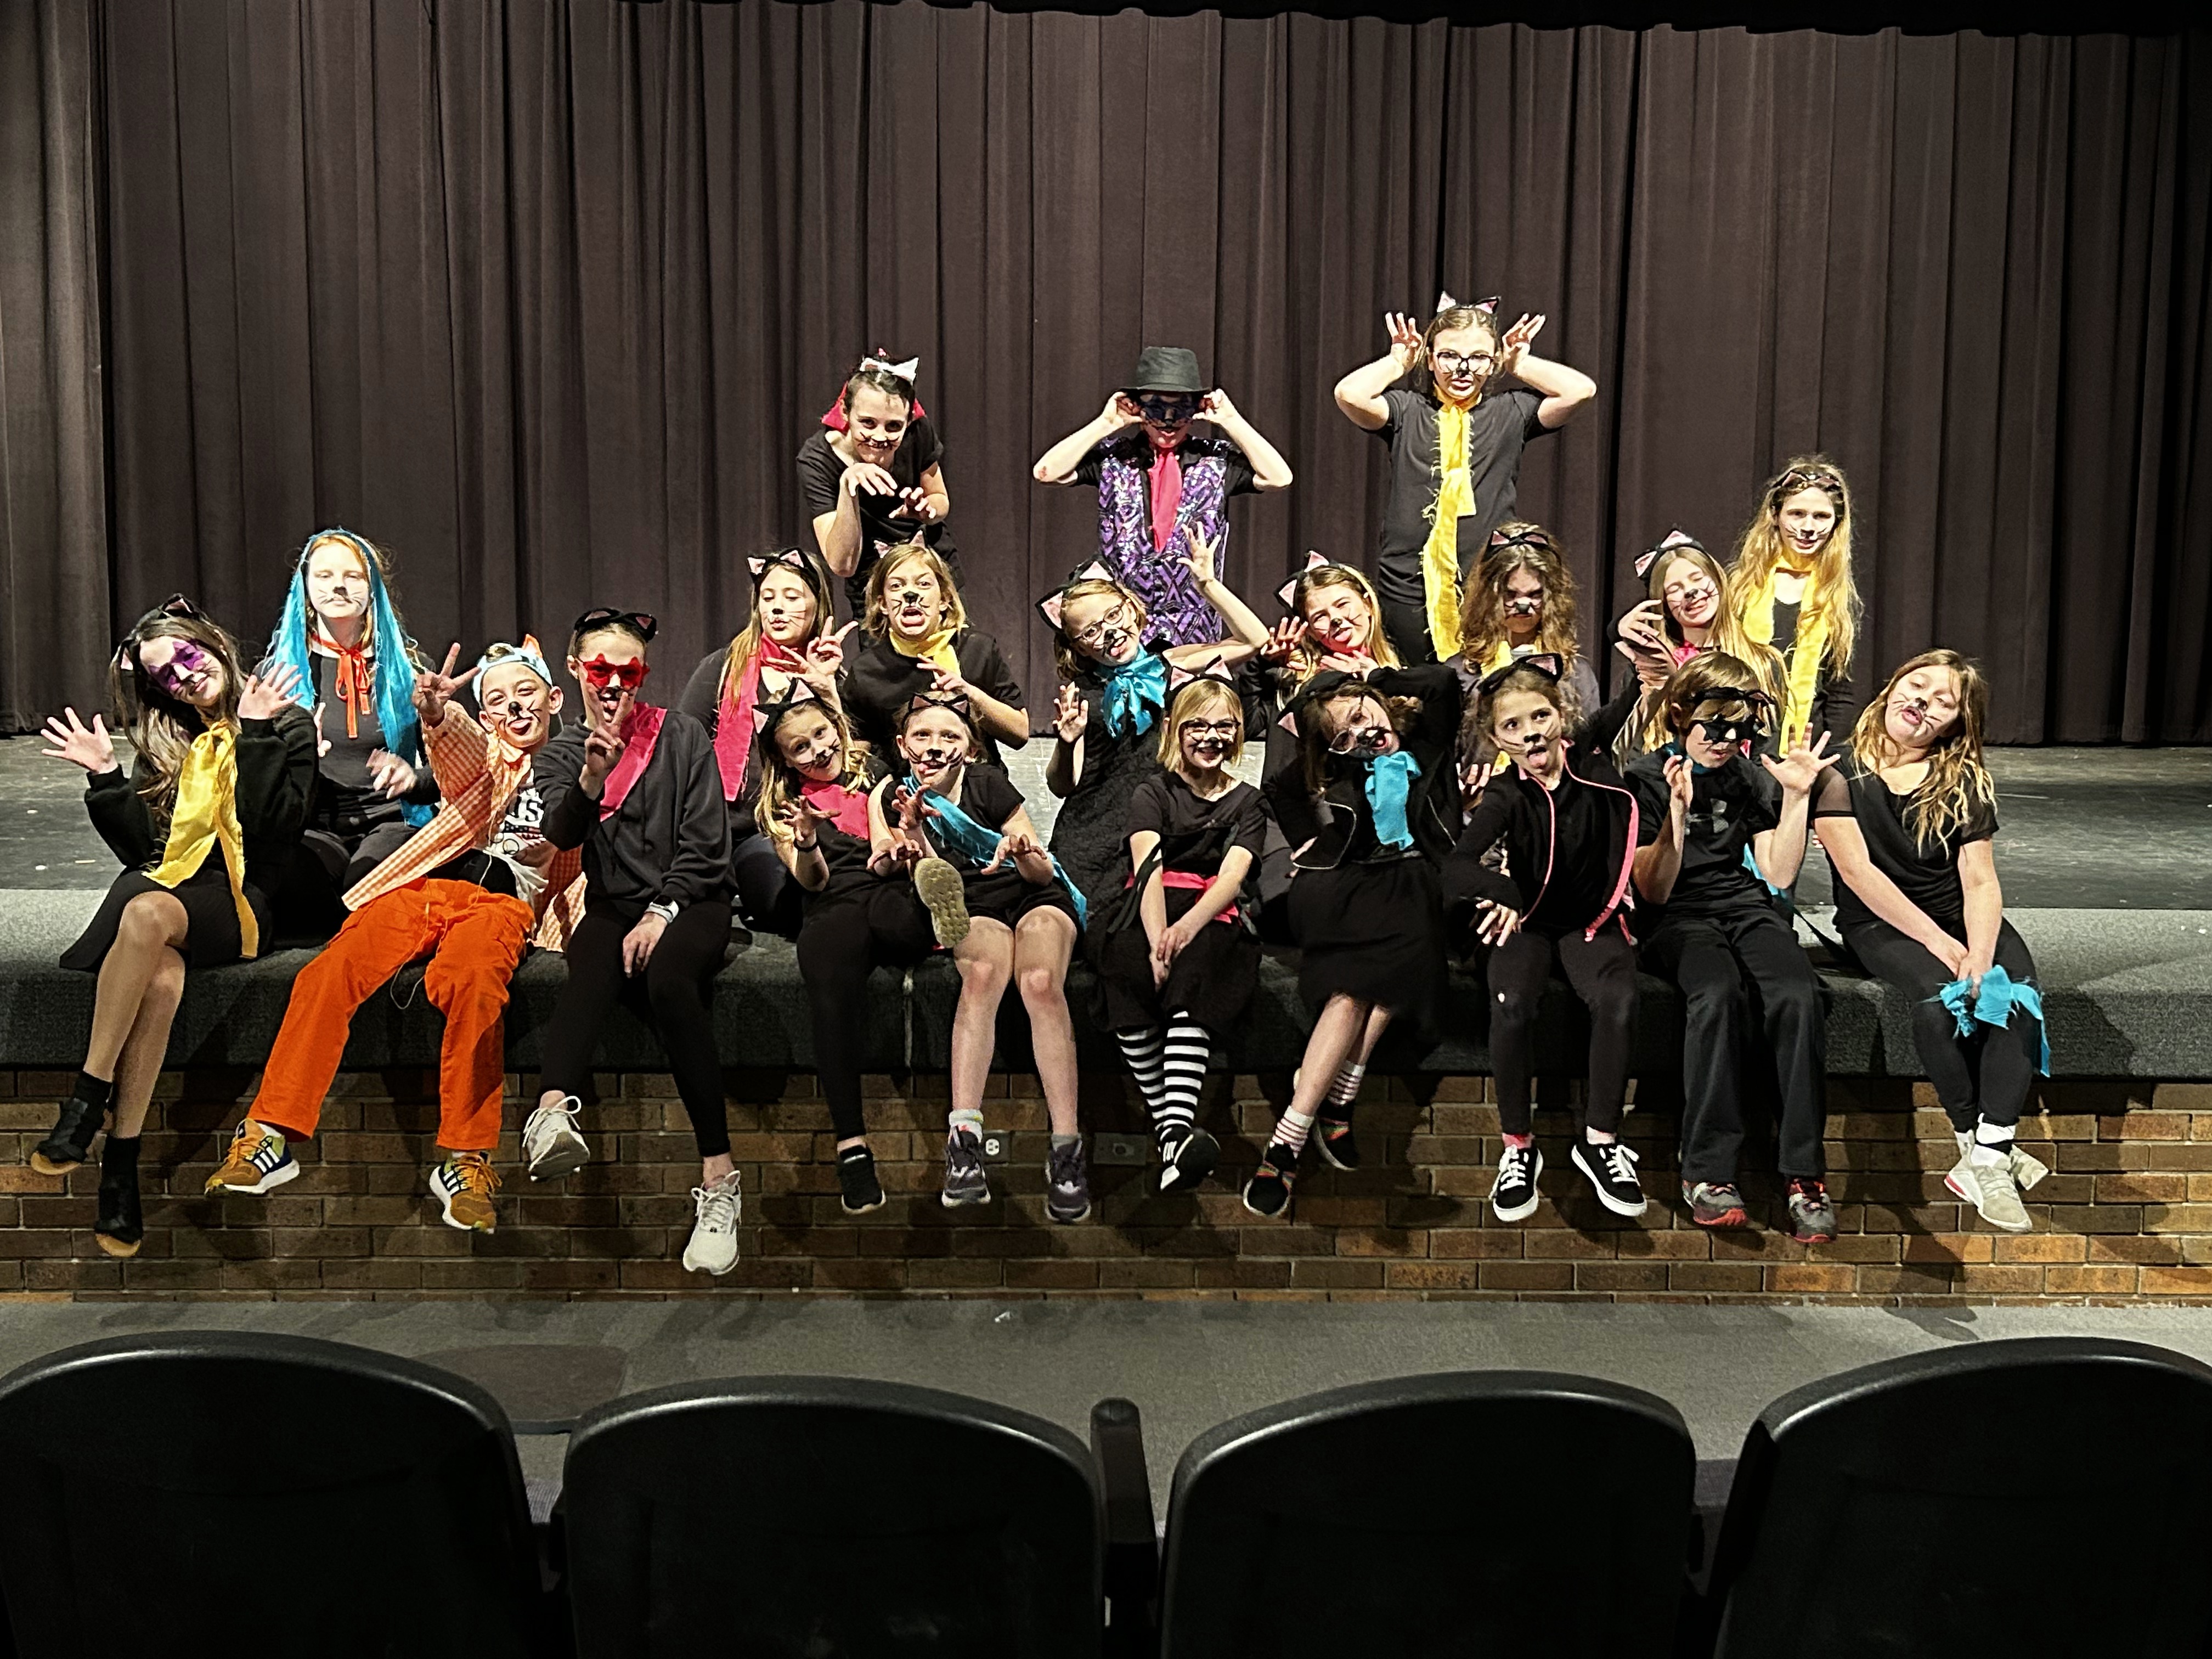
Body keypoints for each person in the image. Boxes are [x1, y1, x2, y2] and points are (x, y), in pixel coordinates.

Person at [206, 639, 588, 1234]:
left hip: (500, 906)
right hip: (425, 889)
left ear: (554, 697)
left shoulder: (585, 763)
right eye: (498, 701)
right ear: (486, 715)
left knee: (473, 985)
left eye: (526, 694)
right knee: (327, 972)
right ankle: (269, 1133)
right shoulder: (488, 757)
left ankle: (466, 1159)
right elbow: (460, 756)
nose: (514, 709)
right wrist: (437, 714)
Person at [35, 596, 315, 1257]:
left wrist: (254, 734)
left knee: (145, 910)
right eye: (166, 676)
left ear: (212, 644)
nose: (184, 677)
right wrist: (106, 777)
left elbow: (277, 825)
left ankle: (86, 1097)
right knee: (159, 979)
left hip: (246, 898)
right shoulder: (169, 738)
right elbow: (146, 853)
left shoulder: (285, 721)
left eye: (187, 657)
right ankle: (121, 1166)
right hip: (181, 895)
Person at [524, 610, 743, 1274]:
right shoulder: (563, 751)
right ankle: (551, 1112)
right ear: (576, 671)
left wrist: (663, 912)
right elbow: (560, 835)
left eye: (629, 672)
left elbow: (708, 847)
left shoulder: (680, 737)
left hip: (693, 902)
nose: (615, 683)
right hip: (616, 904)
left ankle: (720, 1178)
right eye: (601, 671)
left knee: (668, 980)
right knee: (588, 968)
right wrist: (593, 777)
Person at [1812, 650, 2049, 1234]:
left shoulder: (1961, 778)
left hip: (1959, 912)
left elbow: (1979, 880)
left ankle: (1988, 1155)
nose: (1922, 703)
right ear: (1893, 686)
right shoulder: (1837, 770)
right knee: (1940, 1001)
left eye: (1942, 702)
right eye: (1917, 686)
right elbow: (1862, 876)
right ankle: (1977, 1143)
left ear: (1955, 724)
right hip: (1882, 921)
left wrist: (1981, 950)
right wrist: (1947, 949)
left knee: (2011, 997)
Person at [1627, 654, 1839, 1242]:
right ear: (1680, 717)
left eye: (1738, 729)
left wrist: (1797, 799)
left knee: (1798, 995)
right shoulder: (1646, 778)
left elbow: (1776, 869)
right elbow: (1652, 888)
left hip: (1742, 905)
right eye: (1713, 728)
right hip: (1676, 914)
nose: (1726, 741)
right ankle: (1708, 1170)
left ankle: (1803, 1175)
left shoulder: (1748, 778)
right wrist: (1674, 815)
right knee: (1717, 994)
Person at [1246, 661, 1463, 1217]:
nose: (1363, 736)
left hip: (1419, 881)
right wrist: (1312, 845)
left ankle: (1330, 1104)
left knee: (1392, 969)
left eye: (1366, 722)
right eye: (1345, 735)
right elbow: (1280, 791)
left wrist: (1371, 684)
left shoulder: (1428, 749)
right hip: (1355, 887)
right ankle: (1295, 1136)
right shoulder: (1344, 772)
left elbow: (1440, 685)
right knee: (1353, 993)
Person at [871, 692, 1091, 1221]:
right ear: (903, 746)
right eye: (923, 736)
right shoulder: (892, 795)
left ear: (969, 750)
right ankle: (964, 1141)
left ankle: (1066, 1148)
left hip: (1032, 892)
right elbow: (906, 871)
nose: (936, 746)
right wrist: (912, 833)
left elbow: (1041, 873)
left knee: (1039, 981)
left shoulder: (990, 784)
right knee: (985, 973)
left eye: (950, 737)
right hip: (972, 902)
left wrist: (1023, 854)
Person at [1445, 656, 1647, 1223]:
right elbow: (1456, 868)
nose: (1531, 731)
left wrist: (1639, 668)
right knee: (1510, 1005)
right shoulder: (1507, 795)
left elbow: (1625, 704)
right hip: (1529, 920)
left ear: (1560, 716)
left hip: (1590, 919)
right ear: (1497, 739)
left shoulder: (1593, 763)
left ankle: (1601, 1140)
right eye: (1512, 726)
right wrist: (1502, 889)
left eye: (1540, 716)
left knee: (1618, 999)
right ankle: (1518, 1147)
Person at [755, 682, 945, 1217]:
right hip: (830, 900)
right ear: (783, 759)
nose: (818, 749)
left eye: (821, 734)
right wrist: (810, 838)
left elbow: (883, 850)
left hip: (883, 885)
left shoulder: (874, 775)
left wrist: (898, 845)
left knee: (896, 920)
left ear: (836, 728)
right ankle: (852, 1147)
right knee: (830, 989)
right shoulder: (784, 808)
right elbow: (810, 882)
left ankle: (937, 910)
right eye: (801, 747)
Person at [1332, 296, 1596, 664]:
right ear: (1430, 359)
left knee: (1487, 685)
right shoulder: (1408, 409)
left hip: (1485, 579)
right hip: (1408, 582)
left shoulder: (1510, 411)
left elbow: (1580, 390)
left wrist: (1520, 363)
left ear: (1493, 363)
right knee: (1416, 690)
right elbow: (1349, 394)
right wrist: (1396, 363)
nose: (1463, 369)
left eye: (1478, 358)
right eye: (1449, 356)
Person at [1092, 668, 1268, 1194]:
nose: (1211, 737)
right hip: (1148, 902)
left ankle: (1170, 1132)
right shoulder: (1153, 790)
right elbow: (1146, 865)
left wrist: (1184, 931)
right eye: (1198, 725)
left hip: (1211, 909)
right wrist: (1156, 939)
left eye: (1224, 726)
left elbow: (1233, 876)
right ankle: (1176, 1136)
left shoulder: (1249, 801)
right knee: (1123, 965)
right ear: (1175, 730)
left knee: (1196, 974)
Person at [1040, 536, 1268, 923]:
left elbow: (1255, 639)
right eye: (1091, 631)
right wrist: (1067, 742)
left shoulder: (1171, 663)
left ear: (1132, 609)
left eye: (1113, 616)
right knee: (1084, 928)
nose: (1109, 633)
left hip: (1160, 824)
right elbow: (1064, 785)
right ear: (1077, 647)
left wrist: (1208, 586)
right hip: (1093, 831)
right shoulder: (1084, 694)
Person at [1032, 347, 1293, 646]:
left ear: (1196, 411)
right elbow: (1047, 473)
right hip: (1126, 633)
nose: (1168, 421)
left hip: (1196, 636)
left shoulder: (1216, 460)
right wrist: (1106, 425)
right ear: (1138, 408)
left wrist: (1231, 421)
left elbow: (1279, 478)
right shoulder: (1115, 459)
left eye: (1180, 410)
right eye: (1156, 408)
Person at [261, 528, 439, 931]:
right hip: (313, 826)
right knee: (292, 887)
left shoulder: (407, 671)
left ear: (373, 586)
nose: (338, 586)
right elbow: (256, 785)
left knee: (368, 880)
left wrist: (413, 778)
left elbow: (450, 775)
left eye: (353, 576)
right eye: (324, 575)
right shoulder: (278, 677)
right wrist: (299, 759)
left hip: (393, 821)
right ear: (304, 586)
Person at [675, 546, 854, 938]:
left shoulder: (832, 674)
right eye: (768, 598)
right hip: (735, 826)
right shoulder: (724, 666)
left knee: (816, 900)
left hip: (805, 822)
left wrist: (826, 688)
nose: (777, 608)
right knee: (775, 905)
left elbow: (852, 760)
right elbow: (681, 748)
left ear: (817, 604)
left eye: (792, 597)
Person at [839, 539, 1028, 770]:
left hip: (978, 789)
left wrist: (970, 694)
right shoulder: (867, 671)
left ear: (944, 599)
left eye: (923, 584)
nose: (910, 593)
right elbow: (858, 755)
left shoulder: (979, 650)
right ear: (883, 605)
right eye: (897, 586)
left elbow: (1019, 734)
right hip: (904, 791)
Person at [797, 352, 955, 617]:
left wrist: (925, 511)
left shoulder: (918, 432)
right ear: (846, 413)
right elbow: (842, 564)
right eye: (868, 423)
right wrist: (849, 488)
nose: (880, 437)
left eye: (894, 426)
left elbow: (940, 501)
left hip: (930, 569)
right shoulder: (817, 459)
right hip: (874, 583)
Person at [1727, 456, 1863, 752]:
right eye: (1797, 513)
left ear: (1837, 522)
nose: (1808, 527)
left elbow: (1840, 693)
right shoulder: (1739, 586)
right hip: (1738, 743)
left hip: (1803, 751)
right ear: (1775, 515)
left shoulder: (1839, 597)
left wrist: (1832, 757)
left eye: (1821, 516)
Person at [1616, 529, 1786, 758]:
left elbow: (1768, 752)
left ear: (1717, 579)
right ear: (1664, 604)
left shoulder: (1764, 663)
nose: (1691, 592)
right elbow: (1629, 750)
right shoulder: (1650, 670)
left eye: (1697, 579)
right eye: (1674, 589)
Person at [1455, 523, 1603, 762]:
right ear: (1489, 596)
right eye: (1511, 595)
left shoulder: (1574, 673)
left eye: (1535, 595)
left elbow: (1591, 752)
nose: (1523, 605)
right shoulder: (1463, 672)